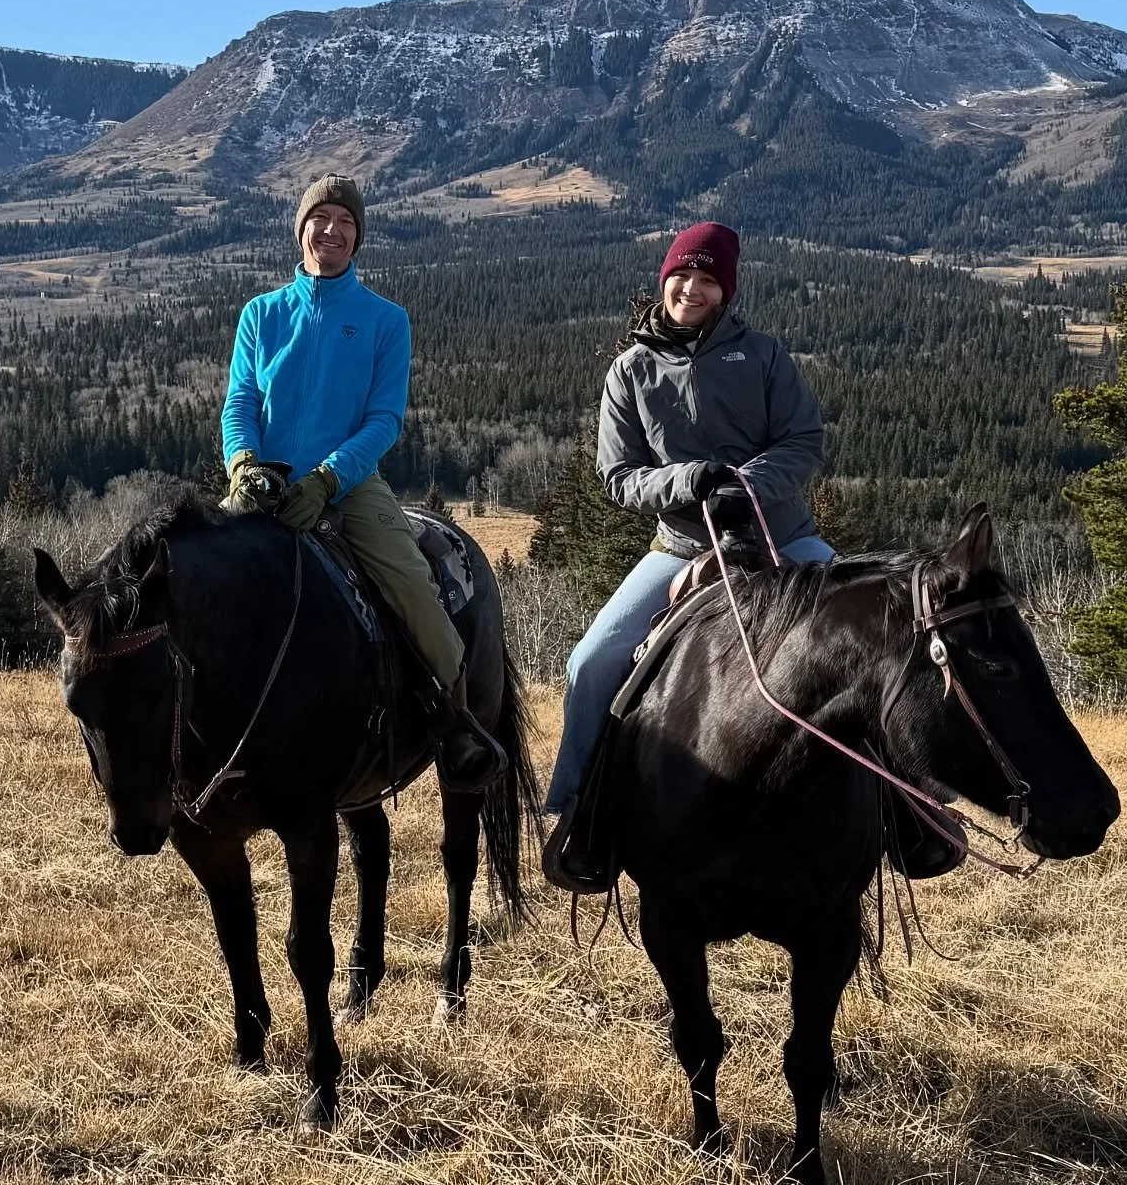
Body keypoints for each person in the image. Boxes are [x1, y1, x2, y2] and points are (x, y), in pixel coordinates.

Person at [542, 220, 833, 890]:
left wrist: (744, 484)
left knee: (868, 633)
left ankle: (903, 809)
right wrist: (689, 479)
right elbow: (618, 475)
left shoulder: (761, 355)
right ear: (664, 279)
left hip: (781, 537)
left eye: (707, 280)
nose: (691, 289)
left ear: (725, 291)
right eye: (683, 276)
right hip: (681, 546)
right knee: (590, 661)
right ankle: (583, 810)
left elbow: (803, 439)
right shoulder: (631, 370)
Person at [220, 173, 505, 793]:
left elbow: (383, 421)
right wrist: (242, 463)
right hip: (261, 484)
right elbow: (240, 401)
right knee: (198, 578)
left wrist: (328, 478)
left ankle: (458, 726)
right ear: (301, 231)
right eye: (320, 218)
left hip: (348, 488)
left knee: (412, 587)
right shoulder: (260, 314)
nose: (332, 230)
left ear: (359, 239)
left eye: (346, 223)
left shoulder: (384, 320)